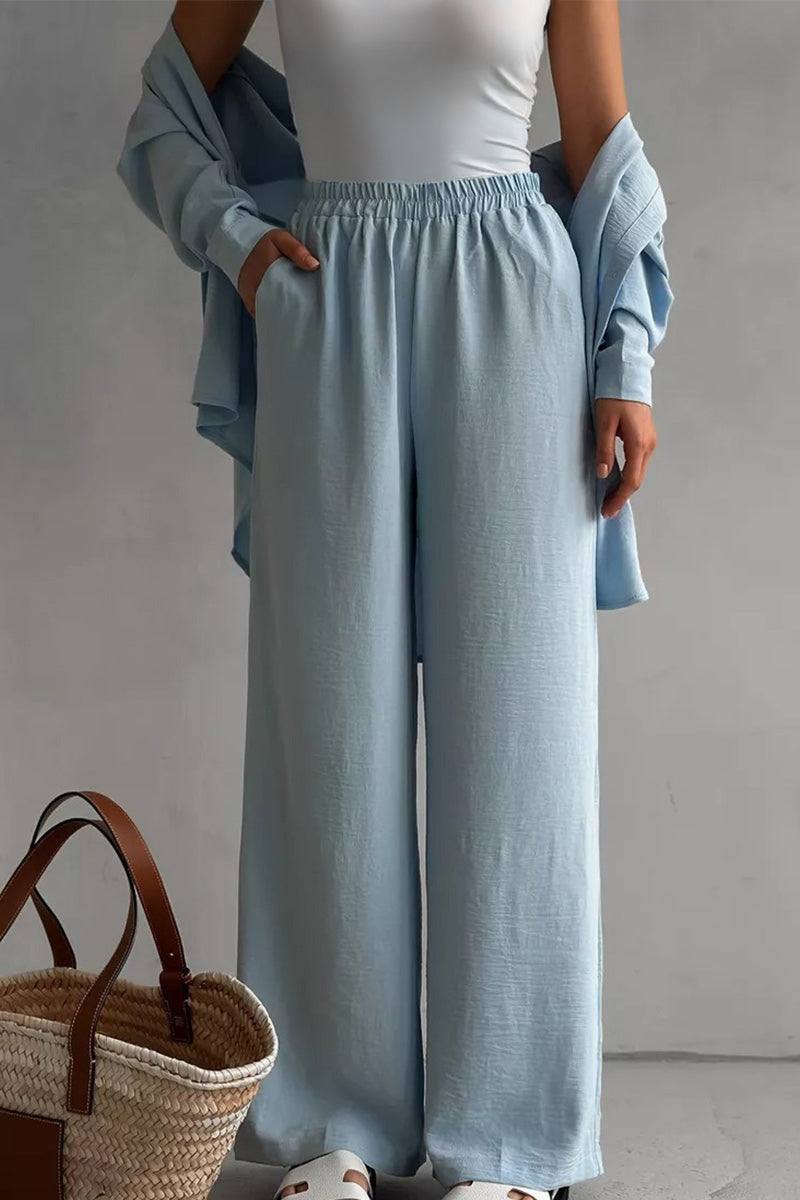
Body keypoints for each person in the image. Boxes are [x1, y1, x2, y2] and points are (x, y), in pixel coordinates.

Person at [130, 2, 669, 1197]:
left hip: (514, 304)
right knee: (328, 732)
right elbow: (162, 107)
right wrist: (238, 243)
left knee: (518, 735)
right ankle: (333, 1121)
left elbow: (600, 152)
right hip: (327, 306)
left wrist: (623, 356)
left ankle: (508, 1142)